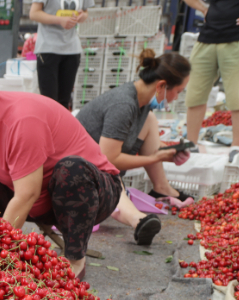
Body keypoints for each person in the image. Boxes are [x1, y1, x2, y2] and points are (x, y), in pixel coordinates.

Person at [0, 64, 162, 281]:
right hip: (39, 202)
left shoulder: (22, 120)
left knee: (71, 170)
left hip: (91, 194)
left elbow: (26, 195)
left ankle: (74, 259)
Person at [76, 50, 193, 203]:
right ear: (162, 86)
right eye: (178, 91)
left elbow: (149, 146)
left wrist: (168, 153)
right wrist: (153, 158)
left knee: (149, 119)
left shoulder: (141, 102)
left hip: (99, 167)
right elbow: (109, 158)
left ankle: (161, 188)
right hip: (82, 176)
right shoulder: (123, 105)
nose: (176, 98)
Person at [181, 0, 239, 160]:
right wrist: (203, 8)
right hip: (207, 37)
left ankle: (236, 147)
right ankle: (191, 144)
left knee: (238, 96)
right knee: (195, 94)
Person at [29, 0, 91, 109]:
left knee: (64, 102)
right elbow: (34, 13)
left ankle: (61, 126)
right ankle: (49, 125)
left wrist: (82, 16)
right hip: (48, 49)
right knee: (49, 101)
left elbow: (86, 12)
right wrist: (59, 20)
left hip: (72, 49)